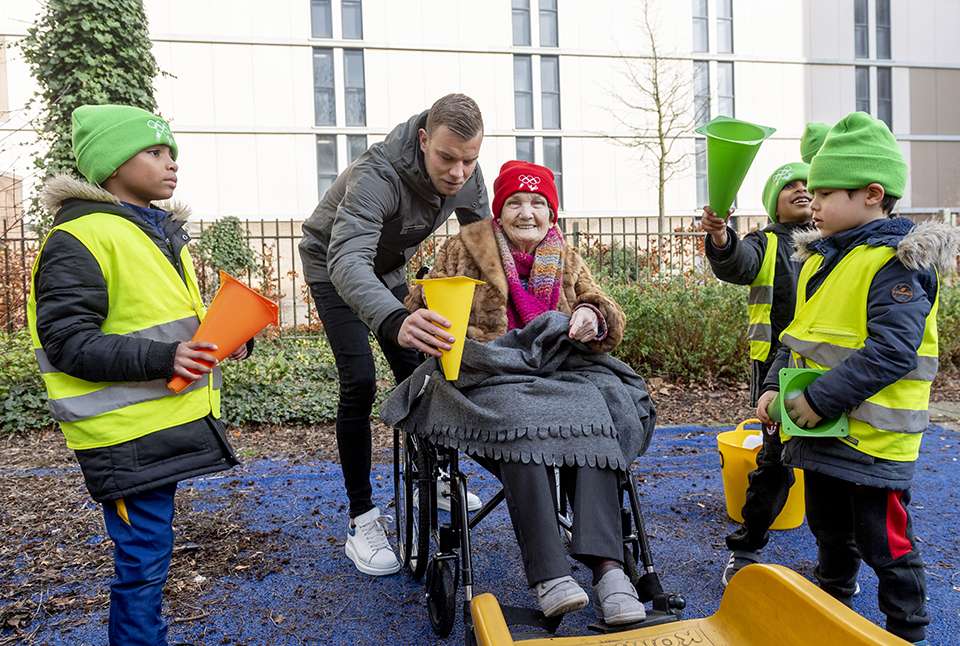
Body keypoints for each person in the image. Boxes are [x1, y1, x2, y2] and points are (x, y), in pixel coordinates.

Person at [27, 104, 249, 646]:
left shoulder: (156, 232)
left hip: (155, 425)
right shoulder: (82, 238)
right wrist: (165, 358)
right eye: (154, 152)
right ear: (111, 164)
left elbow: (164, 320)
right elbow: (67, 343)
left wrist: (228, 337)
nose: (170, 163)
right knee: (143, 561)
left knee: (150, 554)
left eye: (171, 152)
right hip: (121, 435)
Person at [398, 161, 654, 625]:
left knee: (597, 416)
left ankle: (609, 572)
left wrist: (593, 315)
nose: (527, 212)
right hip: (488, 374)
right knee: (519, 423)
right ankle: (550, 576)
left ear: (551, 212)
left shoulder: (568, 259)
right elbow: (419, 306)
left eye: (538, 203)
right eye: (515, 201)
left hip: (559, 375)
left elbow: (605, 307)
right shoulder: (462, 248)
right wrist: (430, 302)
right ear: (499, 209)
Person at [756, 111, 960, 645]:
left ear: (872, 194)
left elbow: (892, 351)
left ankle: (907, 629)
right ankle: (833, 610)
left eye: (825, 192)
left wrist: (819, 400)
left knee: (884, 542)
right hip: (822, 434)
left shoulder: (898, 262)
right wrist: (775, 386)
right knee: (828, 531)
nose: (813, 202)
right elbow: (796, 336)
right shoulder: (825, 259)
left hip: (873, 441)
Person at [298, 93, 490, 576]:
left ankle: (438, 477)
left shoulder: (467, 172)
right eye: (447, 158)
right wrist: (396, 320)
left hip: (387, 269)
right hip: (333, 265)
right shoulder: (376, 175)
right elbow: (347, 261)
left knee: (425, 371)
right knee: (360, 380)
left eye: (469, 160)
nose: (458, 172)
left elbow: (486, 248)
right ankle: (361, 519)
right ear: (424, 140)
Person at [700, 161, 815, 585]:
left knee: (833, 465)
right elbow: (737, 263)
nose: (802, 190)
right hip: (778, 370)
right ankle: (747, 547)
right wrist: (719, 235)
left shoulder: (835, 243)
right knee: (775, 460)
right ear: (774, 206)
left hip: (830, 368)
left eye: (809, 185)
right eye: (791, 187)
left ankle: (838, 564)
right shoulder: (765, 242)